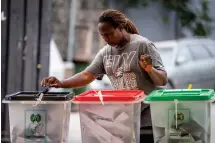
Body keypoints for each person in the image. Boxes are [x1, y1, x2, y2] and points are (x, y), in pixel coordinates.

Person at [41, 9, 167, 143]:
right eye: (103, 36)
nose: (106, 39)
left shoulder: (143, 45)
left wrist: (150, 69)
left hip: (149, 116)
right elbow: (86, 75)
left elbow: (162, 79)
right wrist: (61, 83)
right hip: (125, 116)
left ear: (120, 28)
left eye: (109, 34)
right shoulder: (105, 53)